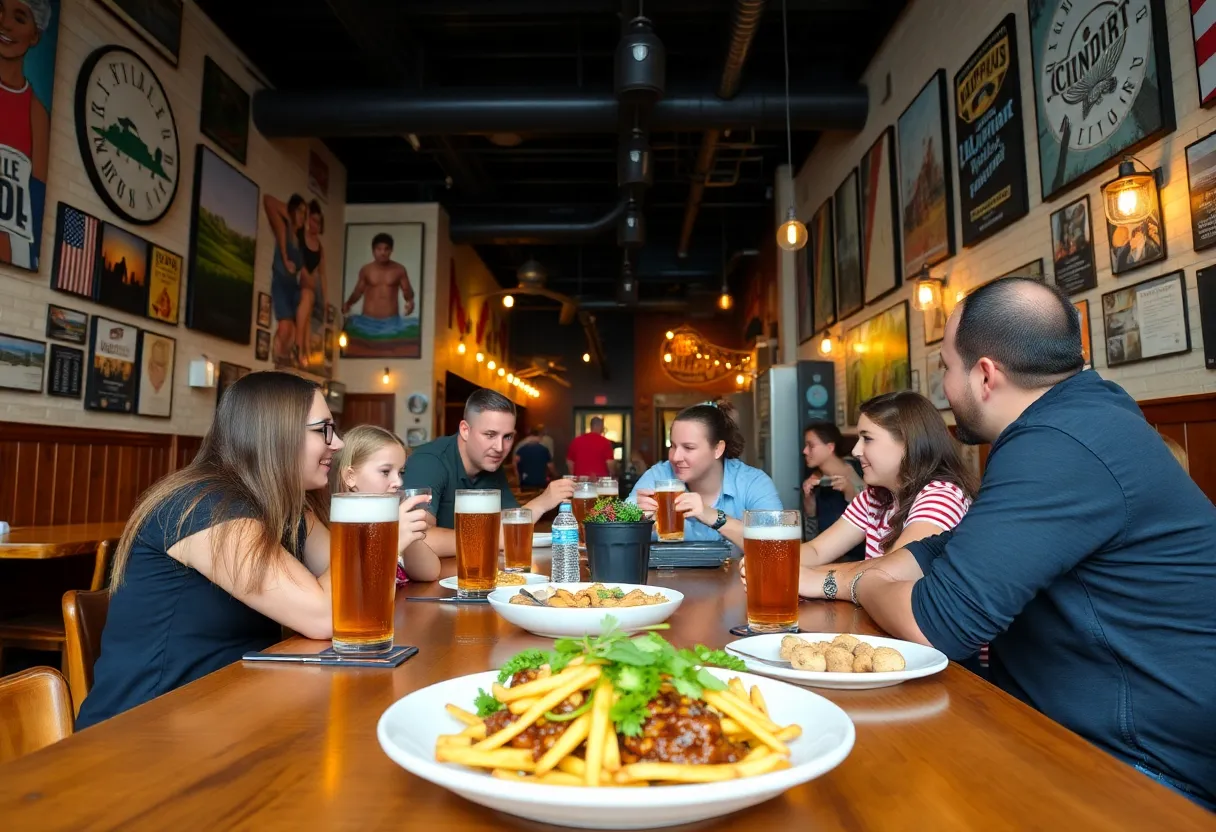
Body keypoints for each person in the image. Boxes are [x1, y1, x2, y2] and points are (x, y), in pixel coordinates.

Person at [831, 278, 1216, 809]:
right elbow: (954, 548)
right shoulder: (1086, 416)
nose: (944, 386)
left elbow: (934, 623)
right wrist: (836, 579)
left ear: (985, 374)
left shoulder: (1058, 443)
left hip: (1139, 767)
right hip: (1061, 723)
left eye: (945, 366)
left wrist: (863, 581)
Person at [76, 372, 430, 728]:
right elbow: (325, 616)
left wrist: (377, 539)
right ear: (277, 434)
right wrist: (380, 541)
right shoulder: (207, 508)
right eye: (324, 429)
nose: (337, 443)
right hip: (143, 731)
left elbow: (351, 590)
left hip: (232, 707)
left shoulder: (290, 509)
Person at [400, 389, 574, 558]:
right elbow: (419, 539)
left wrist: (542, 504)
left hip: (472, 573)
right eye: (490, 435)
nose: (500, 448)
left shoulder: (490, 463)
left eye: (507, 437)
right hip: (426, 582)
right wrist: (494, 539)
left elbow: (510, 529)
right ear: (465, 430)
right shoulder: (429, 461)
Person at [628, 400, 781, 548]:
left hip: (736, 575)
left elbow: (776, 549)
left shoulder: (753, 482)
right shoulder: (658, 476)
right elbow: (614, 532)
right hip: (666, 574)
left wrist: (713, 516)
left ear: (718, 449)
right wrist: (637, 521)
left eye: (689, 448)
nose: (675, 457)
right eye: (673, 446)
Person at [330, 425, 440, 583]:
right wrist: (394, 540)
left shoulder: (390, 519)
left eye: (400, 472)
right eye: (385, 472)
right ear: (350, 477)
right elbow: (357, 585)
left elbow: (429, 573)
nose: (398, 482)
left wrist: (410, 536)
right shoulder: (344, 531)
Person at [0, 0, 52, 270]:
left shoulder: (37, 115)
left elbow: (36, 198)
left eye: (19, 18)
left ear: (35, 35)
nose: (5, 23)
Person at [800, 422, 866, 562]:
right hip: (830, 560)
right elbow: (811, 539)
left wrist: (850, 493)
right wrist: (809, 506)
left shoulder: (861, 468)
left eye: (811, 446)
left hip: (863, 558)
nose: (805, 451)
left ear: (830, 447)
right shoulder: (813, 484)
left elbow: (877, 513)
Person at [342, 232, 416, 351]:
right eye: (379, 249)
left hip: (391, 323)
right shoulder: (366, 270)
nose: (383, 252)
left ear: (391, 251)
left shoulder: (399, 270)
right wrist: (348, 303)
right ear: (373, 250)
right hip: (367, 322)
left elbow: (407, 290)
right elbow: (358, 291)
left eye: (386, 249)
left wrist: (410, 301)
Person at [263, 194, 307, 364]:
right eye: (300, 211)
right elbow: (268, 200)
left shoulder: (302, 241)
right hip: (281, 281)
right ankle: (276, 358)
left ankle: (286, 360)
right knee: (285, 326)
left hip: (293, 286)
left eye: (305, 212)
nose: (302, 216)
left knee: (294, 330)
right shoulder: (284, 229)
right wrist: (290, 212)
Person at [295, 200, 328, 368]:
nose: (315, 225)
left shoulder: (319, 247)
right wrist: (304, 273)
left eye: (318, 222)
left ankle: (305, 352)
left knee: (310, 307)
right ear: (308, 220)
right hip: (297, 281)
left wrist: (326, 299)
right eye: (313, 220)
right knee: (308, 296)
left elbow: (321, 274)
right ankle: (300, 347)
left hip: (309, 286)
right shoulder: (300, 237)